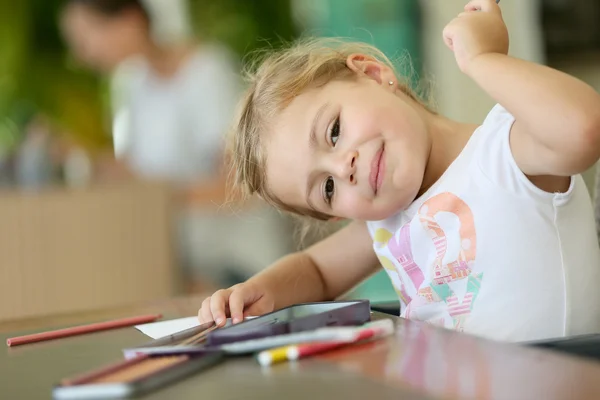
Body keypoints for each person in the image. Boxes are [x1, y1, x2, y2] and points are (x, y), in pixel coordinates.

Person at [198, 0, 600, 342]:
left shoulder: (505, 152)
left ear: (374, 75)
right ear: (339, 214)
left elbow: (583, 128)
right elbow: (316, 271)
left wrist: (484, 60)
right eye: (327, 188)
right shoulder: (387, 222)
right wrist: (258, 291)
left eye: (334, 131)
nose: (344, 168)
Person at [60, 0, 293, 290]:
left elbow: (237, 187)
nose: (82, 55)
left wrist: (159, 196)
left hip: (237, 264)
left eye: (85, 38)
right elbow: (138, 170)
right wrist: (85, 161)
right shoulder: (132, 84)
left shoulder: (207, 72)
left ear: (129, 20)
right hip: (179, 261)